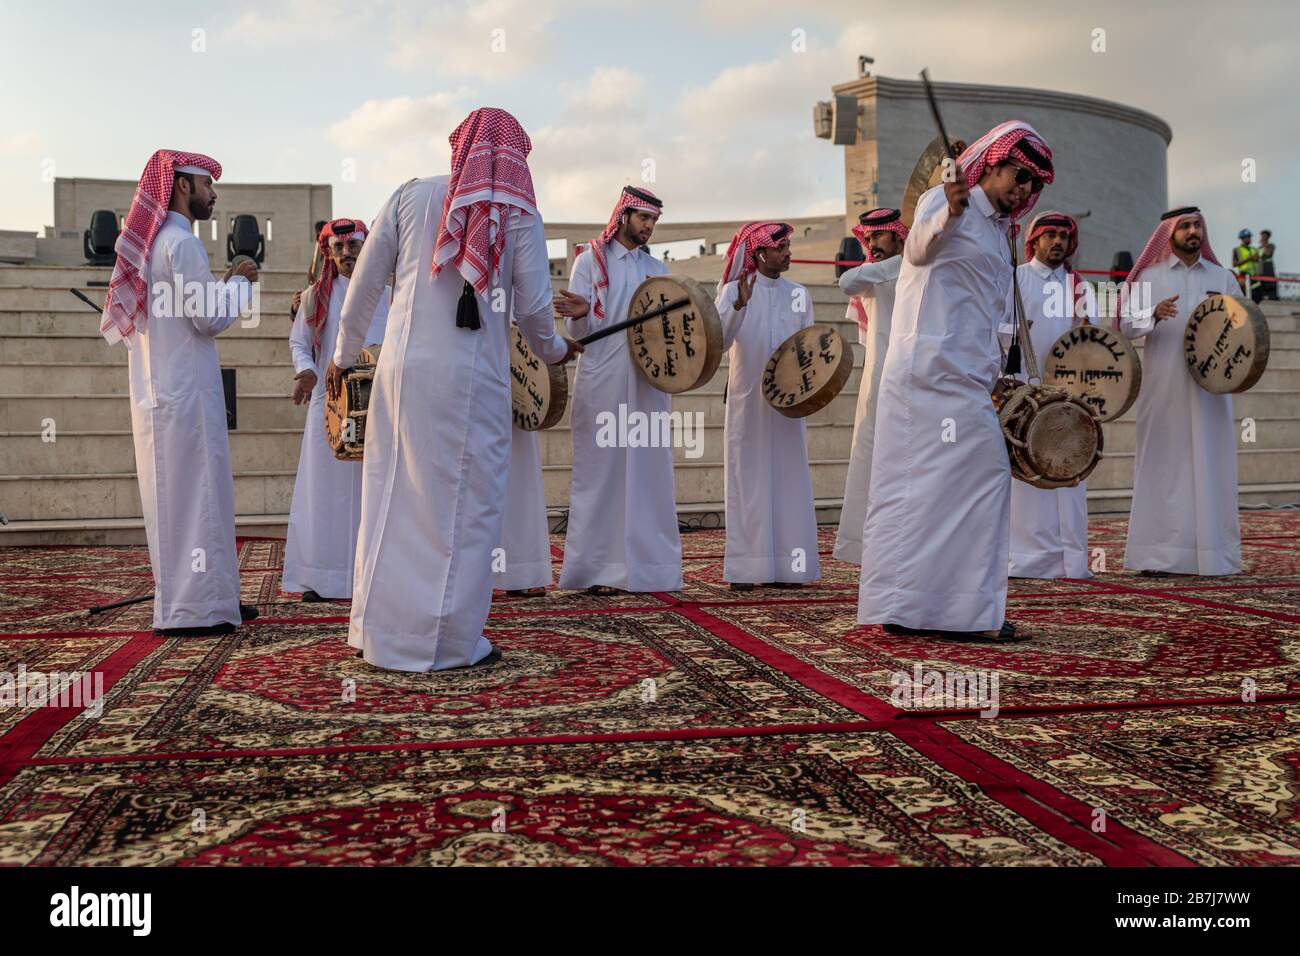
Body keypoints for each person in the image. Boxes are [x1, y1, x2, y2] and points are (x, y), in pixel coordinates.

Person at [325, 107, 581, 671]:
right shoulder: (518, 213)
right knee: (466, 508)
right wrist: (559, 351)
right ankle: (444, 642)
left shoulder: (409, 196)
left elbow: (364, 284)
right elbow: (538, 311)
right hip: (472, 381)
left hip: (400, 375)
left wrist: (344, 359)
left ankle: (380, 634)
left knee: (393, 494)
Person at [858, 121, 1055, 641]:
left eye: (1034, 184)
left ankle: (922, 607)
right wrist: (949, 206)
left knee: (937, 493)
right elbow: (919, 251)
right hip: (928, 371)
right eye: (1020, 175)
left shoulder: (997, 231)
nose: (1025, 190)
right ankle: (954, 610)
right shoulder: (940, 204)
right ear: (991, 163)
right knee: (976, 480)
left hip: (966, 375)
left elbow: (987, 306)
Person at [100, 150, 259, 636]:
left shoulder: (153, 244)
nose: (213, 193)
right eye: (206, 183)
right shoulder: (181, 244)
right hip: (184, 396)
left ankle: (216, 598)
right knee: (198, 499)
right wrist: (239, 285)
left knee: (187, 499)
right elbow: (208, 317)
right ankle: (195, 611)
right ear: (182, 187)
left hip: (162, 392)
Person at [554, 186, 683, 595]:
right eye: (643, 218)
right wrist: (577, 317)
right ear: (623, 215)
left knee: (648, 472)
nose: (648, 227)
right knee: (602, 472)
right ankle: (595, 569)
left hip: (648, 384)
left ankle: (651, 570)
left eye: (654, 221)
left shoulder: (657, 268)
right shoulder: (589, 260)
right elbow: (579, 332)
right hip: (604, 379)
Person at [1117, 206, 1241, 576]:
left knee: (1211, 462)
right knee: (1163, 465)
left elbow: (1245, 325)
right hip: (1165, 389)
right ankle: (1157, 555)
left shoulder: (1222, 276)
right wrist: (1151, 314)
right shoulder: (1150, 277)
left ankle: (1213, 555)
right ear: (1169, 233)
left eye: (1197, 226)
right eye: (1185, 226)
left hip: (1212, 392)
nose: (1192, 231)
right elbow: (1124, 326)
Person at [283, 219, 390, 601]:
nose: (348, 254)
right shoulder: (315, 296)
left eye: (355, 245)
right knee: (323, 491)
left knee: (372, 489)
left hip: (378, 404)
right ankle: (323, 578)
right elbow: (299, 343)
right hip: (328, 404)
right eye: (340, 248)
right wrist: (306, 373)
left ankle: (373, 577)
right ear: (329, 252)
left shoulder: (387, 293)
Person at [714, 221, 819, 591]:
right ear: (758, 252)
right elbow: (719, 343)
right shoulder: (732, 291)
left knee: (790, 479)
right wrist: (737, 307)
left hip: (788, 405)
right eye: (780, 247)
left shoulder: (799, 294)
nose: (788, 252)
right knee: (749, 480)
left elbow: (811, 349)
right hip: (748, 403)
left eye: (788, 245)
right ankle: (747, 569)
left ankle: (792, 569)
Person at [1003, 211, 1097, 579]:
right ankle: (1022, 559)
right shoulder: (1014, 280)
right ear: (1035, 240)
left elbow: (1098, 346)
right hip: (1024, 396)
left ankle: (1070, 561)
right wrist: (1012, 330)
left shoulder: (1081, 287)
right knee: (1024, 479)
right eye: (1050, 235)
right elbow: (994, 328)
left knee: (1069, 474)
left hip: (1069, 400)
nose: (1057, 241)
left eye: (1063, 235)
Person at [833, 207, 908, 565]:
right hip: (878, 375)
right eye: (867, 237)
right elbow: (846, 283)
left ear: (898, 235)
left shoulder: (921, 270)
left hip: (916, 375)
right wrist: (899, 264)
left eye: (879, 236)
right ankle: (865, 545)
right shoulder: (871, 275)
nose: (871, 243)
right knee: (871, 453)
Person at [495, 314, 555, 599]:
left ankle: (523, 570)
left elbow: (533, 308)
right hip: (463, 358)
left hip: (517, 363)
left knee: (519, 476)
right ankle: (480, 577)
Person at [1233, 229, 1260, 301]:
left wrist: (1256, 258)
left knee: (1256, 298)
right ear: (1242, 238)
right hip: (1244, 277)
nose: (1249, 239)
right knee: (1244, 299)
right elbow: (1234, 264)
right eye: (1247, 237)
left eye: (1249, 237)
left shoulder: (1254, 249)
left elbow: (1258, 260)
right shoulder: (1237, 250)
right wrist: (1249, 259)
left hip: (1255, 278)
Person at [1258, 229, 1278, 301]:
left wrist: (1264, 244)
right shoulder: (1259, 248)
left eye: (1264, 236)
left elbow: (1268, 253)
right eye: (1262, 236)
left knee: (1270, 284)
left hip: (1269, 269)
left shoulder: (1271, 245)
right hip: (1261, 270)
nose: (1262, 237)